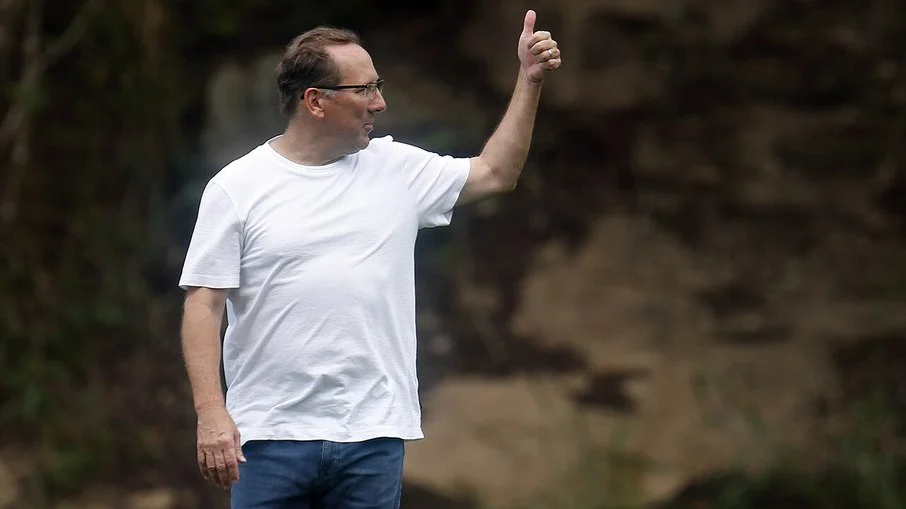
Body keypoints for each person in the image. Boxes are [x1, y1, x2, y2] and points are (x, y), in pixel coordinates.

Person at [178, 9, 561, 509]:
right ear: (315, 101)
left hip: (372, 436)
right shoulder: (237, 187)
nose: (380, 103)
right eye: (365, 91)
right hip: (269, 436)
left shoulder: (396, 169)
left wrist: (528, 83)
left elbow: (494, 172)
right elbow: (203, 306)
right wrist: (211, 412)